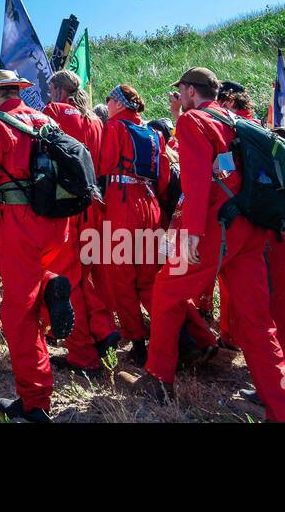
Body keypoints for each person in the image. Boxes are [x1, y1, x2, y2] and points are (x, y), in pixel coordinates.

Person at [130, 67, 285, 422]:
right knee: (257, 323)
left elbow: (195, 186)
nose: (179, 97)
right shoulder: (235, 119)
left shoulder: (194, 122)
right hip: (250, 230)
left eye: (181, 91)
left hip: (214, 229)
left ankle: (159, 378)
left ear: (191, 92)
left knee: (165, 291)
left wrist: (190, 236)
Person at [0, 70, 79, 423]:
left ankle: (34, 402)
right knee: (35, 285)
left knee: (18, 313)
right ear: (16, 90)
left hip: (20, 224)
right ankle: (51, 285)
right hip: (57, 220)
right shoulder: (46, 120)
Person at [45, 70, 118, 375]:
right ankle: (104, 331)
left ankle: (82, 354)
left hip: (67, 206)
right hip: (94, 204)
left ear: (59, 92)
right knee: (87, 275)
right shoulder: (96, 121)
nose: (49, 97)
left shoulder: (54, 112)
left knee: (67, 279)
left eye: (51, 91)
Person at [95, 84, 168, 367]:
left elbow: (106, 164)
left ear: (118, 103)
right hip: (150, 204)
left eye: (110, 100)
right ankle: (178, 333)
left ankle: (137, 344)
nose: (108, 104)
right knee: (150, 277)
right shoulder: (153, 132)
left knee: (122, 278)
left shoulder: (114, 127)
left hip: (123, 203)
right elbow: (161, 176)